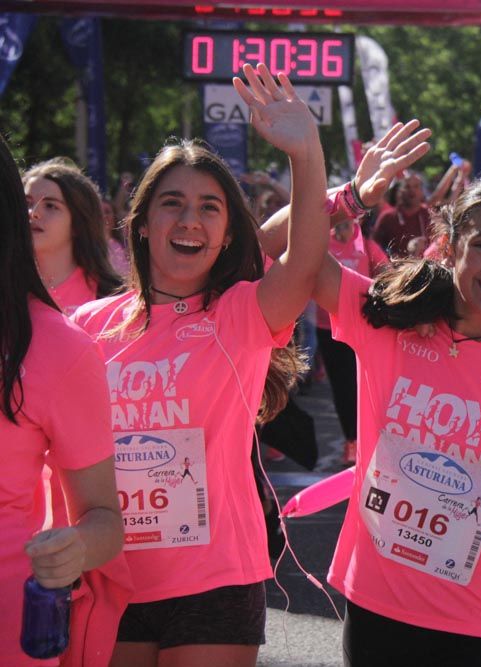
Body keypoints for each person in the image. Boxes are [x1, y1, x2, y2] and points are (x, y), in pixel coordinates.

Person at [71, 64, 331, 667]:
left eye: (209, 208)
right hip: (110, 575)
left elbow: (306, 255)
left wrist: (306, 152)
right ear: (140, 225)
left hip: (216, 580)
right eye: (173, 204)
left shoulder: (241, 314)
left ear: (225, 232)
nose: (190, 220)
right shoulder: (88, 328)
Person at [263, 175, 481, 666]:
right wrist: (337, 188)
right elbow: (266, 245)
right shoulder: (388, 322)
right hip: (380, 606)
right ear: (450, 246)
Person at [0, 134, 124, 666]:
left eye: (53, 204)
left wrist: (73, 548)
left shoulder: (62, 344)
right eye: (34, 201)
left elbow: (103, 521)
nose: (39, 213)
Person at [315, 215, 389, 464]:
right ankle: (351, 439)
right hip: (327, 327)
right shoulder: (322, 243)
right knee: (342, 388)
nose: (340, 228)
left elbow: (388, 274)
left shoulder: (366, 245)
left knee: (364, 386)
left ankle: (368, 440)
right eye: (336, 221)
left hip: (361, 328)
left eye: (346, 222)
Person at [24, 157, 123, 315]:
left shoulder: (113, 298)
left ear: (78, 223)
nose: (33, 213)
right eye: (27, 203)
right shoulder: (8, 290)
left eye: (50, 206)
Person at [372, 171, 431, 257]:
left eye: (416, 186)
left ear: (422, 192)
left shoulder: (429, 214)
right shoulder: (387, 217)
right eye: (407, 187)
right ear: (399, 192)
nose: (412, 190)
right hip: (397, 268)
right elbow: (374, 248)